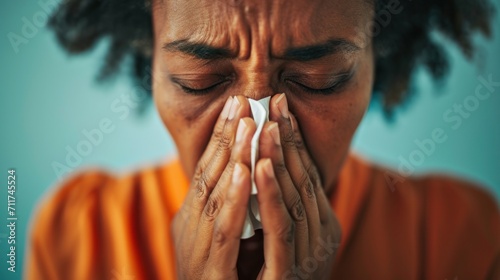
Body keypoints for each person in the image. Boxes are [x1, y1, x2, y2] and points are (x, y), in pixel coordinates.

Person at [26, 0, 499, 279]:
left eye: (320, 79)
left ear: (378, 62)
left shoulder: (460, 238)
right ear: (152, 65)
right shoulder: (77, 236)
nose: (254, 138)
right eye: (199, 80)